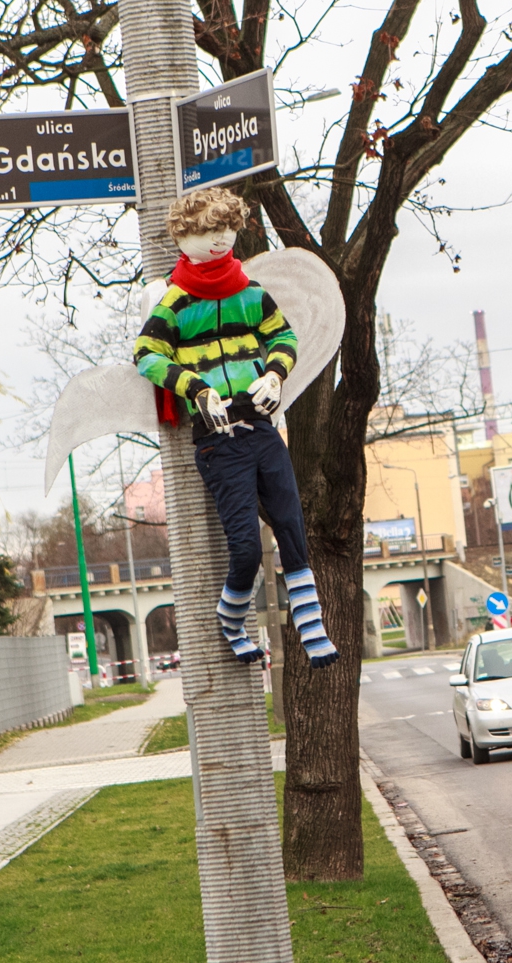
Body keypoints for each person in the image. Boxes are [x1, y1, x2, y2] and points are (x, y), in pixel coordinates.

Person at [133, 188, 338, 668]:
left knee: (291, 526)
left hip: (261, 427)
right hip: (218, 440)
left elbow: (283, 335)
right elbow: (146, 355)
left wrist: (274, 373)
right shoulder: (175, 302)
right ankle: (230, 620)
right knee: (245, 546)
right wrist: (197, 390)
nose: (220, 239)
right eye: (208, 231)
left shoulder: (249, 292)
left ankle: (312, 628)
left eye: (226, 230)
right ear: (185, 236)